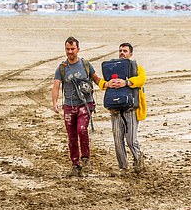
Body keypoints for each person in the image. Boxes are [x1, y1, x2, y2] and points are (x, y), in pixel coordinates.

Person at [52, 36, 100, 176]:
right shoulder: (61, 68)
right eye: (68, 49)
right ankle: (75, 164)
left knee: (82, 129)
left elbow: (96, 79)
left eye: (72, 49)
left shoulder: (85, 64)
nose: (70, 52)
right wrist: (55, 103)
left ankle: (85, 157)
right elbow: (56, 86)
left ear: (78, 49)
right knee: (72, 137)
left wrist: (108, 86)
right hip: (69, 106)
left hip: (85, 104)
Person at [99, 43, 147, 174]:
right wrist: (107, 83)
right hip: (115, 109)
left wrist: (126, 82)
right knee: (118, 140)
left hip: (131, 109)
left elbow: (142, 79)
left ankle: (138, 160)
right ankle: (123, 167)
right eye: (120, 50)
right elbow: (102, 82)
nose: (122, 53)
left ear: (131, 54)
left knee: (131, 140)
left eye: (125, 51)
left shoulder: (137, 68)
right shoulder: (112, 67)